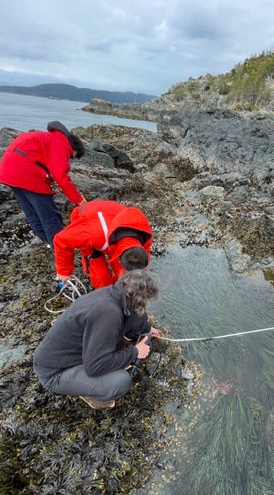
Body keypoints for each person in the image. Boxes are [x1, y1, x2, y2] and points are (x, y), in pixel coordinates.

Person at [33, 269, 160, 409]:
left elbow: (134, 315)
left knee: (125, 342)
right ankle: (87, 391)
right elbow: (95, 366)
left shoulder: (115, 293)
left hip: (77, 354)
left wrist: (146, 329)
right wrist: (135, 352)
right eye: (145, 302)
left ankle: (91, 377)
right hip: (55, 372)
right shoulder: (107, 314)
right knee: (120, 381)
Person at [0, 121, 86, 247]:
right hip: (27, 175)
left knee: (33, 215)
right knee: (50, 217)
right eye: (72, 157)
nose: (69, 159)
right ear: (73, 148)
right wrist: (79, 200)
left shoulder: (45, 137)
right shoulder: (60, 143)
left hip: (9, 173)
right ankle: (61, 248)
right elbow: (60, 175)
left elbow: (38, 160)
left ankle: (51, 244)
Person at [53, 199, 153, 288]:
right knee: (101, 278)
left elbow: (143, 260)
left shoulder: (144, 235)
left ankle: (119, 290)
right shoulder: (92, 233)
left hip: (112, 218)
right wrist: (64, 272)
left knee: (123, 278)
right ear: (118, 257)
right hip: (88, 218)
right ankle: (102, 287)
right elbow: (61, 239)